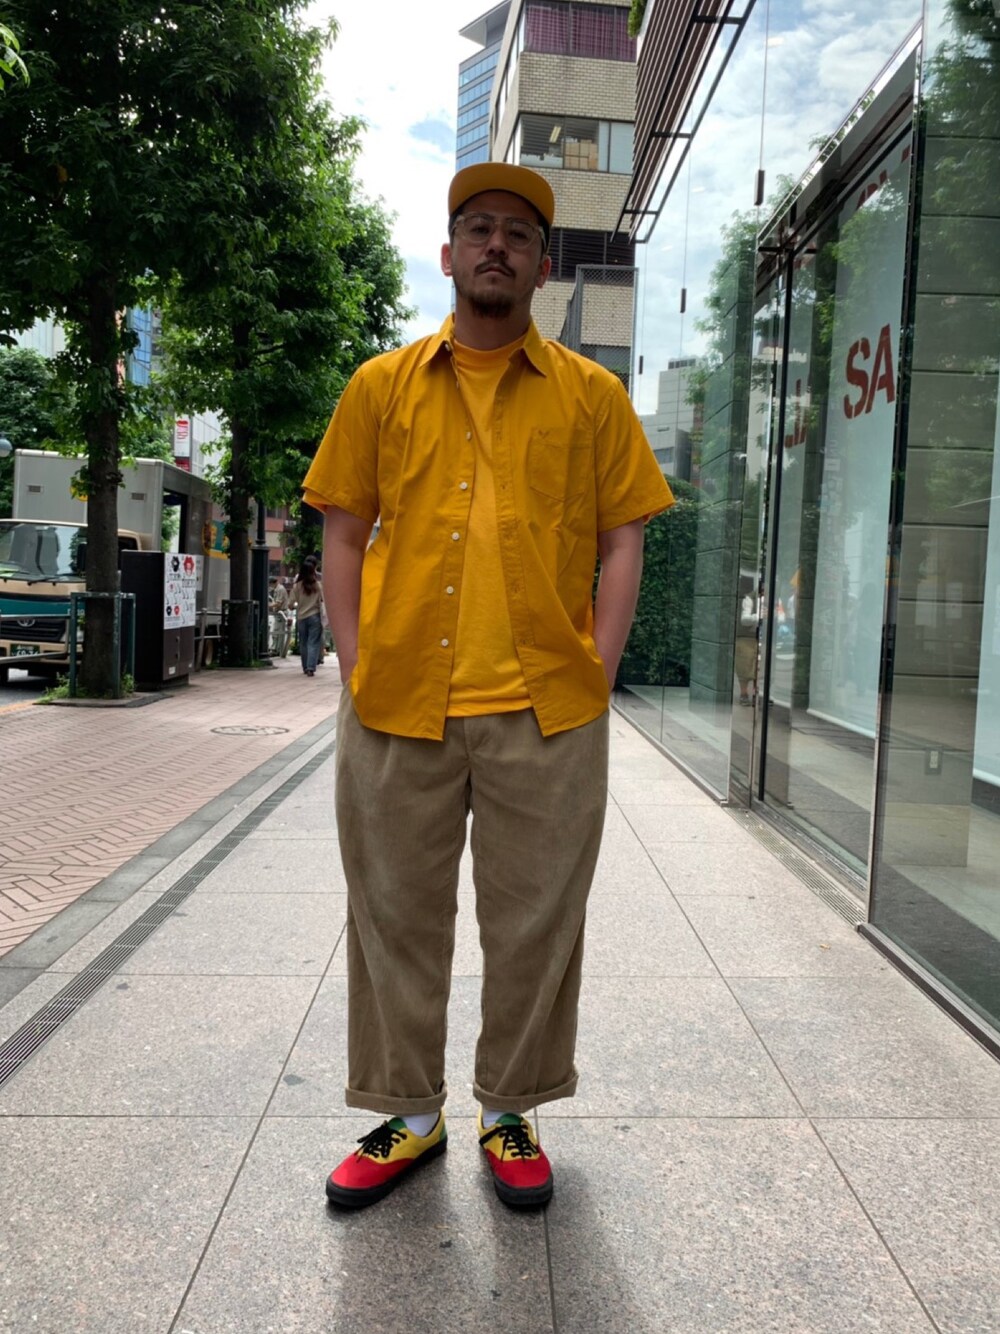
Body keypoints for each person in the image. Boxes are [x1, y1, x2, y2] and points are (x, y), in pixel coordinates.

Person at [302, 162, 674, 1212]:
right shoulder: (380, 386)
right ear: (449, 254)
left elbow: (623, 538)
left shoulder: (592, 397)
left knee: (535, 926)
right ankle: (408, 1114)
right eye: (478, 228)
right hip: (397, 704)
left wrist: (598, 669)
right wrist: (355, 664)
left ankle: (511, 1108)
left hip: (546, 712)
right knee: (391, 916)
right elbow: (343, 532)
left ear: (543, 267)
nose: (497, 244)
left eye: (518, 232)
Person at [287, 556, 325, 676]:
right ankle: (310, 668)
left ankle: (305, 667)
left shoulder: (297, 586)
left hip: (301, 617)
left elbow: (290, 604)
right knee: (313, 642)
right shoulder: (318, 586)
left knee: (303, 643)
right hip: (315, 616)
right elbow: (322, 601)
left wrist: (295, 606)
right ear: (313, 571)